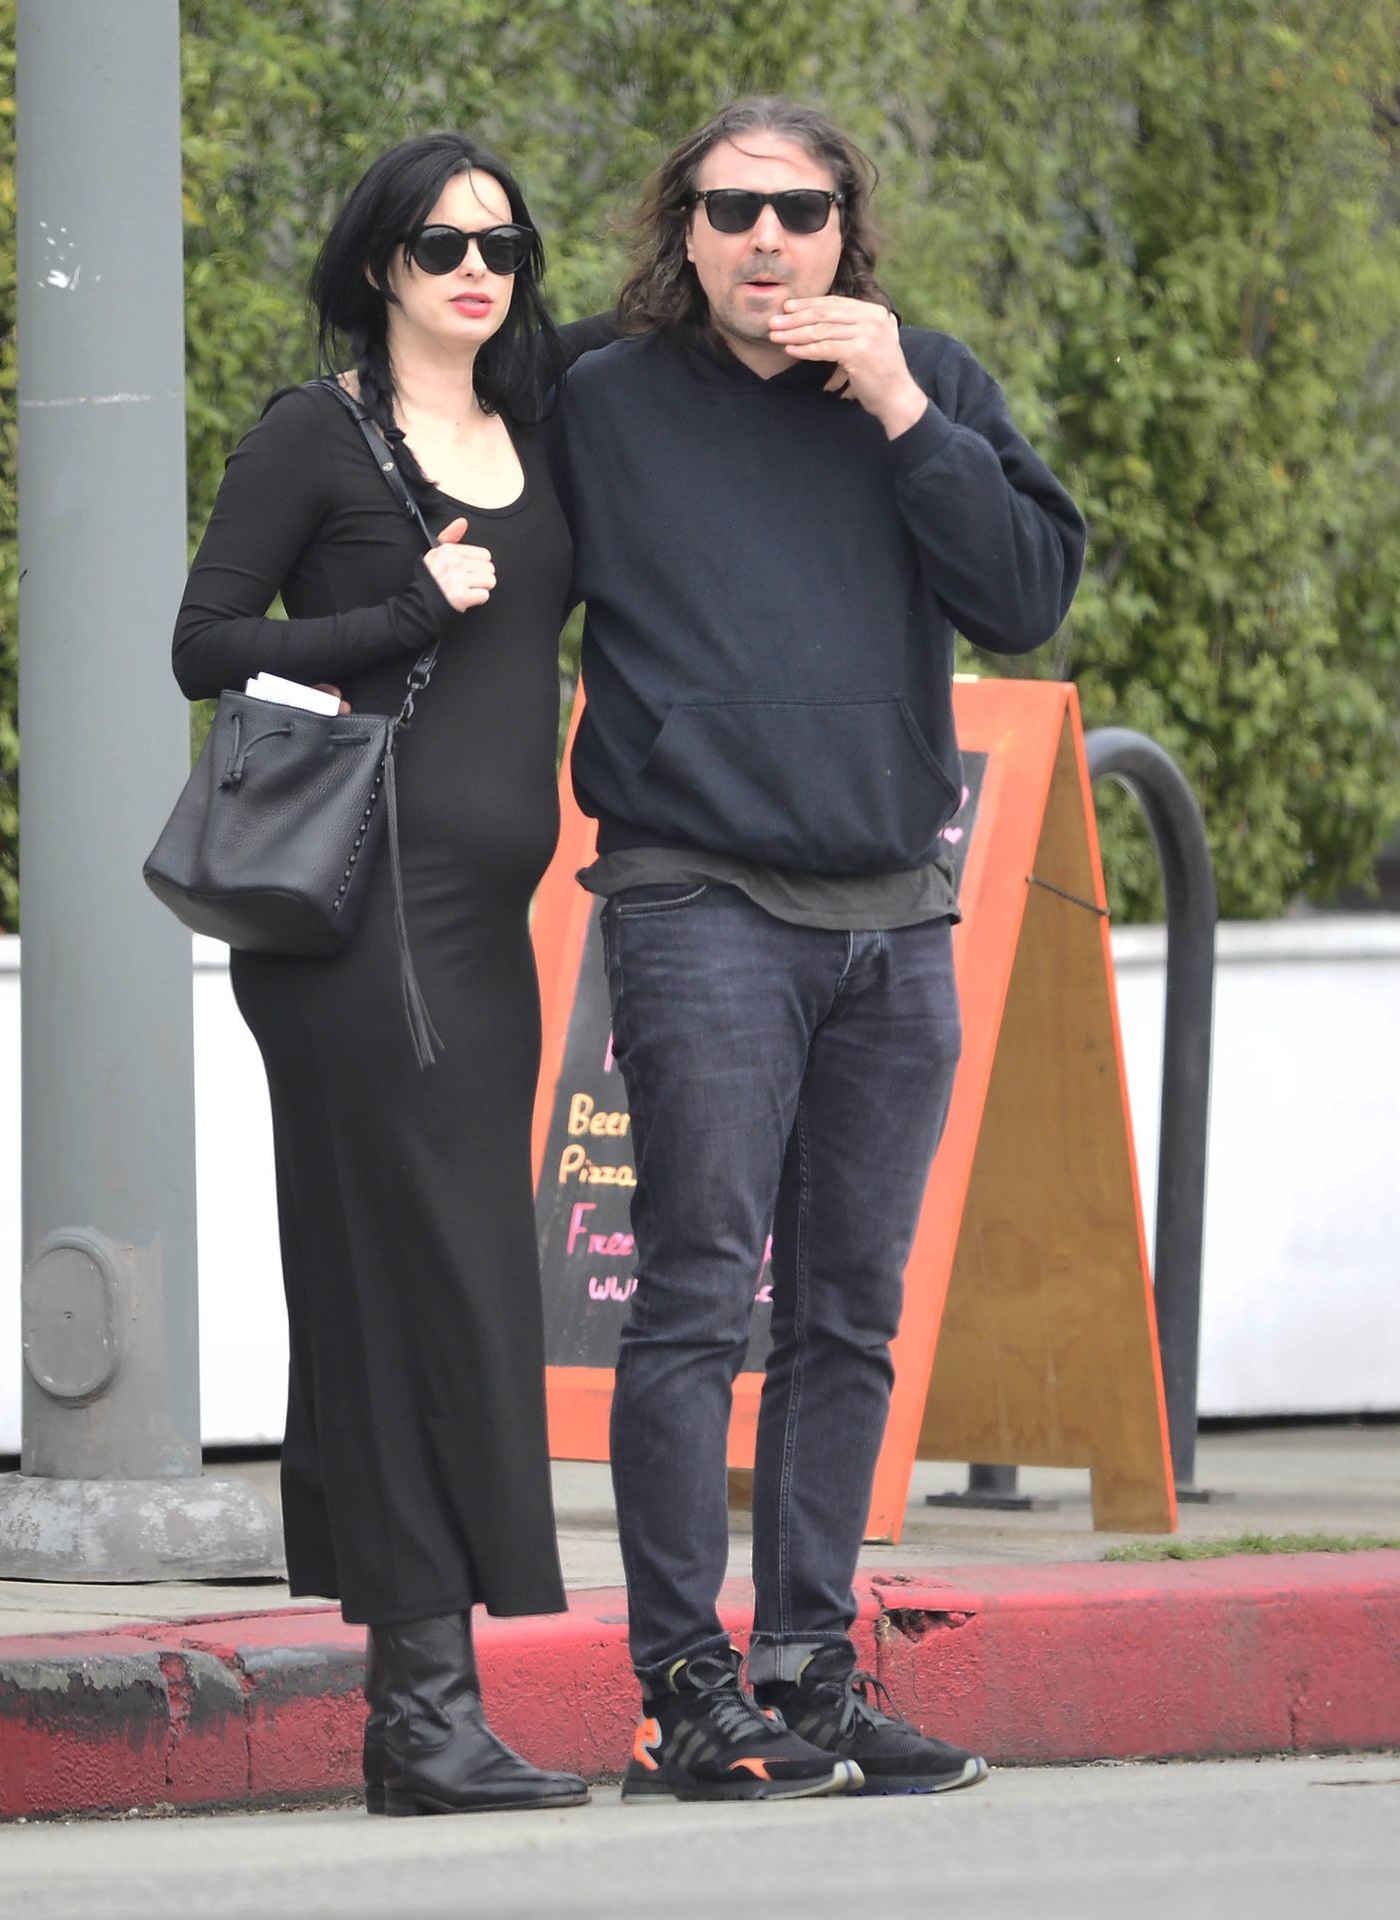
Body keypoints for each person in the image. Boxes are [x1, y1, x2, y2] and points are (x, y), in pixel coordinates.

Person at [548, 97, 1086, 1804]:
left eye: (797, 210)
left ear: (847, 227)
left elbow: (1023, 599)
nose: (764, 240)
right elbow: (459, 498)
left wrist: (905, 408)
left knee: (848, 1315)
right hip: (695, 895)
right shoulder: (601, 398)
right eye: (729, 211)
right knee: (694, 1299)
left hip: (891, 911)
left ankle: (805, 1669)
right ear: (684, 231)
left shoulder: (927, 386)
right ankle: (682, 1688)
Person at [171, 133, 611, 1818]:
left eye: (502, 242)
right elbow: (207, 644)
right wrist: (402, 610)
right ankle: (425, 1712)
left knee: (436, 1282)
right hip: (365, 932)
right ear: (379, 265)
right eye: (440, 245)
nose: (476, 270)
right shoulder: (316, 434)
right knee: (421, 1287)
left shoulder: (538, 421)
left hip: (481, 932)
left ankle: (422, 1718)